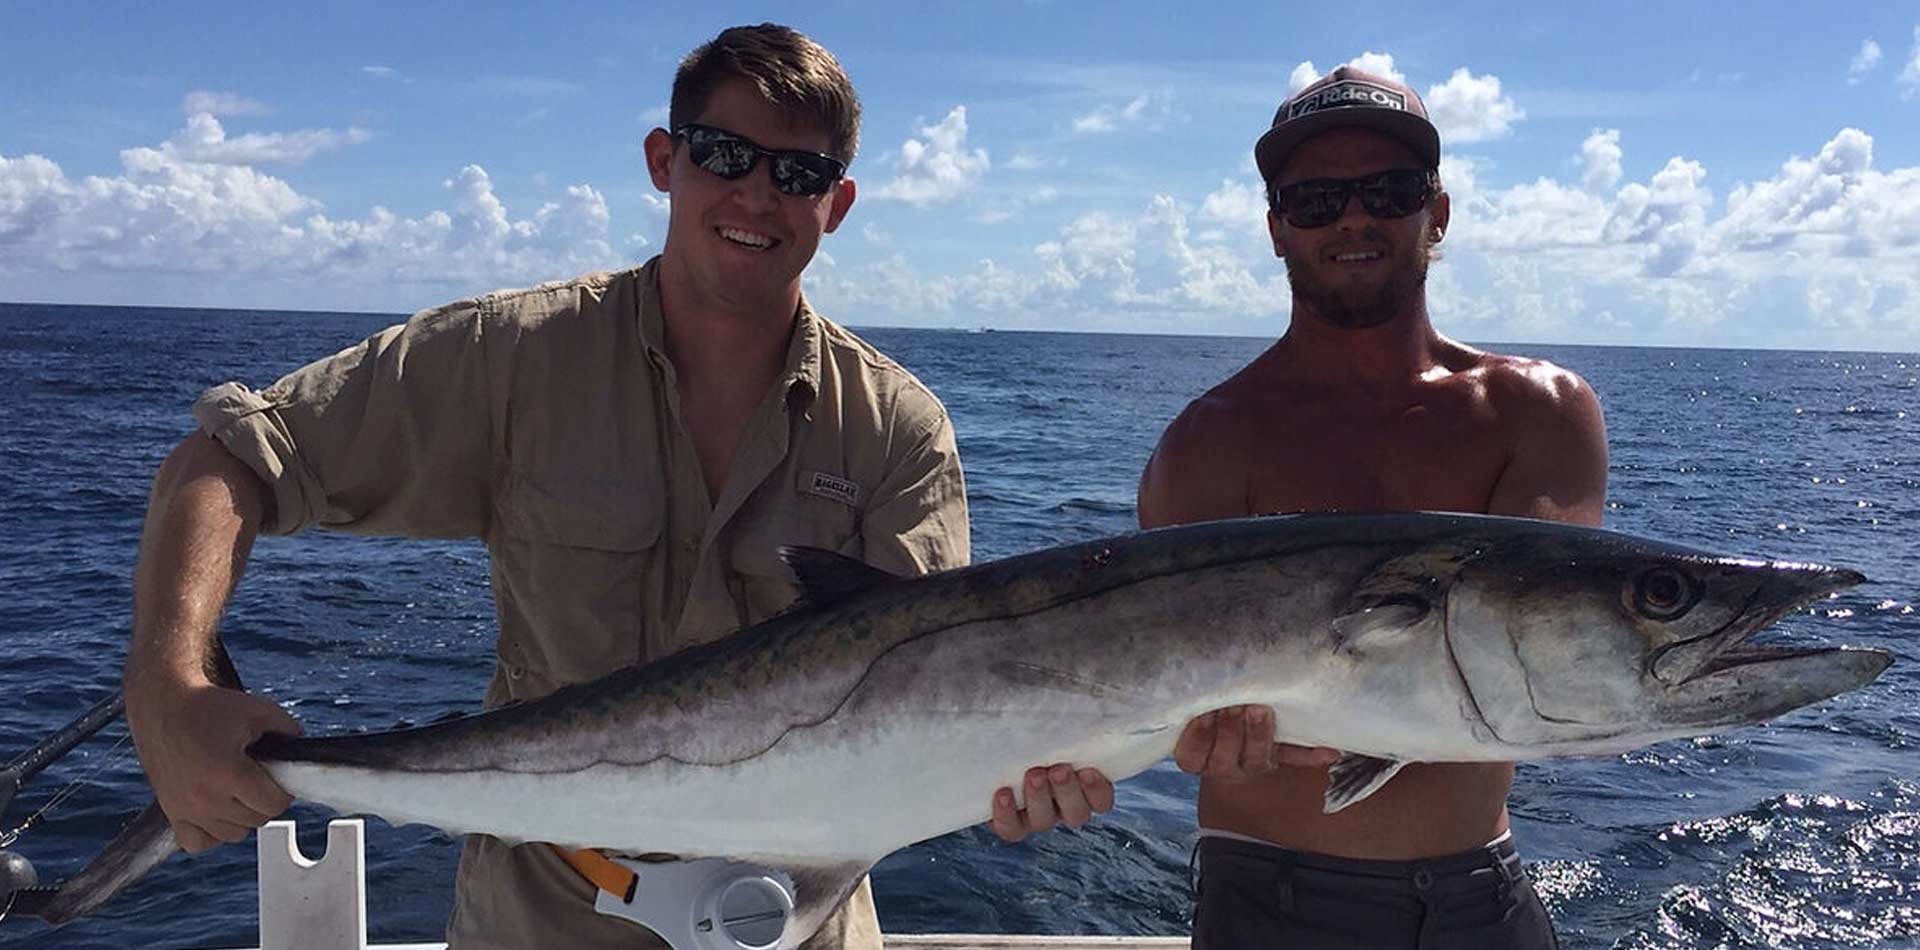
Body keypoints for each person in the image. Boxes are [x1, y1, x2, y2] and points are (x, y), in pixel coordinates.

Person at [120, 23, 1083, 950]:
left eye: (799, 174)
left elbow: (925, 704)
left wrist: (1012, 772)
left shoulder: (897, 429)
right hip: (541, 917)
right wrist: (168, 690)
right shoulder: (514, 356)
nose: (758, 195)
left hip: (801, 923)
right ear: (665, 159)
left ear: (837, 203)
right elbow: (226, 461)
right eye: (723, 154)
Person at [1138, 66, 1608, 949]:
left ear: (1437, 212)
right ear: (1277, 230)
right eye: (1315, 199)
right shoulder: (1205, 442)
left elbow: (1536, 660)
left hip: (1482, 895)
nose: (1353, 218)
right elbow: (1166, 695)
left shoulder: (1541, 413)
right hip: (1264, 898)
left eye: (1387, 190)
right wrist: (1191, 734)